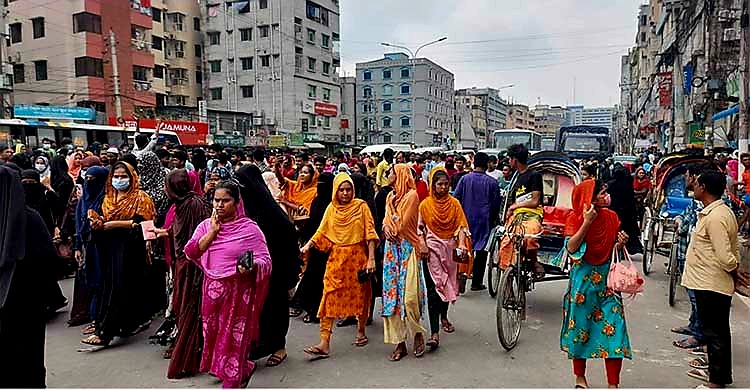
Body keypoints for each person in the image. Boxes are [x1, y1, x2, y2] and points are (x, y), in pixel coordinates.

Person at [184, 181, 272, 388]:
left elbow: (264, 259)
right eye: (216, 200)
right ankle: (237, 368)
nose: (220, 205)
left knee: (235, 336)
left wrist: (251, 268)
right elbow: (191, 252)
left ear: (237, 202)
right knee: (214, 335)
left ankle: (233, 379)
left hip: (239, 292)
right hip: (212, 292)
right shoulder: (206, 226)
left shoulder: (250, 229)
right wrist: (213, 233)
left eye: (226, 200)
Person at [561, 179, 632, 389]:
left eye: (605, 192)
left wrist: (620, 242)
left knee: (615, 330)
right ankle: (580, 378)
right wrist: (587, 222)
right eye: (600, 193)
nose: (605, 196)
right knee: (580, 329)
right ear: (588, 199)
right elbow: (572, 248)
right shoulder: (574, 218)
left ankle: (613, 384)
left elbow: (611, 247)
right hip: (583, 283)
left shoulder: (612, 217)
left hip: (607, 284)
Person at [300, 173, 378, 360]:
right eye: (341, 189)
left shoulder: (361, 207)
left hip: (358, 258)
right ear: (336, 190)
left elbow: (370, 233)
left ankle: (360, 331)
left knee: (360, 296)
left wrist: (371, 259)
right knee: (328, 295)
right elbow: (322, 231)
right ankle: (324, 342)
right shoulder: (331, 208)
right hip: (336, 258)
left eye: (348, 189)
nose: (345, 193)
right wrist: (307, 246)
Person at [682, 171, 747, 387]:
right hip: (707, 281)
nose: (694, 186)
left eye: (697, 183)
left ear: (704, 188)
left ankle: (717, 381)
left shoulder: (717, 217)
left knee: (715, 332)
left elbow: (726, 255)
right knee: (715, 330)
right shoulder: (716, 213)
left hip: (711, 282)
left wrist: (734, 271)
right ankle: (716, 373)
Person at [81, 162, 157, 347]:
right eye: (116, 176)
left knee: (122, 286)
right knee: (111, 285)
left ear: (132, 177)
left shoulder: (141, 197)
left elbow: (145, 225)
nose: (119, 180)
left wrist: (115, 224)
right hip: (110, 248)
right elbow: (101, 221)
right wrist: (97, 223)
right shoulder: (107, 198)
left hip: (131, 248)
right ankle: (124, 324)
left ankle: (105, 332)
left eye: (124, 176)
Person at [235, 165, 301, 368]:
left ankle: (278, 347)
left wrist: (288, 271)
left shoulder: (271, 211)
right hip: (252, 271)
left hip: (275, 271)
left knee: (275, 308)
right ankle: (257, 345)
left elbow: (289, 234)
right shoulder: (244, 209)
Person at [0, 166, 55, 388]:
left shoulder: (29, 219)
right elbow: (48, 260)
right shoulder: (30, 218)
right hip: (28, 306)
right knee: (26, 363)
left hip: (22, 305)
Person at [158, 170, 212, 379]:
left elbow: (201, 236)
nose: (165, 189)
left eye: (167, 185)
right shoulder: (180, 205)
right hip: (181, 264)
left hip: (193, 267)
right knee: (182, 306)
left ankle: (190, 357)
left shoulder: (195, 205)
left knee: (192, 308)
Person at [418, 167, 470, 349]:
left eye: (446, 184)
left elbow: (462, 226)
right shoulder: (424, 205)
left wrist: (462, 244)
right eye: (440, 184)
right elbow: (420, 228)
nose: (444, 187)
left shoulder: (454, 204)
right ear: (432, 185)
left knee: (447, 283)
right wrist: (423, 244)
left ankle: (444, 317)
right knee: (434, 289)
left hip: (450, 250)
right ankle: (434, 333)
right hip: (431, 250)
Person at [381, 164, 427, 361]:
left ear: (398, 174)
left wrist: (390, 228)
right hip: (392, 252)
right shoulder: (389, 197)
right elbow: (386, 220)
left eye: (389, 172)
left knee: (410, 297)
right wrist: (385, 227)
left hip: (408, 250)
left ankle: (417, 333)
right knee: (392, 299)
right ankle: (399, 343)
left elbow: (403, 223)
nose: (386, 175)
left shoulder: (412, 196)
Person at [454, 152, 501, 291]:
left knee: (462, 247)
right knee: (481, 252)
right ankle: (476, 282)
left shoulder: (464, 179)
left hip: (465, 218)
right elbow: (496, 204)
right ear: (487, 164)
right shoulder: (492, 182)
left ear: (474, 163)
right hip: (484, 221)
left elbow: (456, 198)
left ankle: (461, 274)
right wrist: (493, 220)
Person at [70, 167, 109, 329]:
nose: (89, 183)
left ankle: (101, 319)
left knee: (104, 282)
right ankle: (94, 317)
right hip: (87, 247)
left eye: (94, 179)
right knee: (91, 282)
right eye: (88, 178)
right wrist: (78, 247)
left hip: (104, 247)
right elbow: (79, 226)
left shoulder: (107, 200)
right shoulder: (83, 201)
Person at [499, 144, 545, 280]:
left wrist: (514, 207)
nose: (508, 161)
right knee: (507, 241)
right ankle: (507, 280)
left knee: (529, 238)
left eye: (510, 159)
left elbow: (535, 201)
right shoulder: (516, 177)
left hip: (532, 213)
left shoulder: (534, 176)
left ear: (515, 160)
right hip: (516, 215)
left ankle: (533, 261)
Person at [294, 172, 335, 324]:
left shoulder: (334, 204)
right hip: (316, 245)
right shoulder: (317, 200)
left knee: (322, 280)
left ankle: (317, 311)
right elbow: (313, 222)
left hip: (330, 247)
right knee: (313, 277)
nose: (320, 186)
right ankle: (310, 308)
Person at [607, 165, 644, 254]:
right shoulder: (628, 183)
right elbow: (631, 199)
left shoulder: (610, 184)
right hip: (627, 212)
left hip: (614, 211)